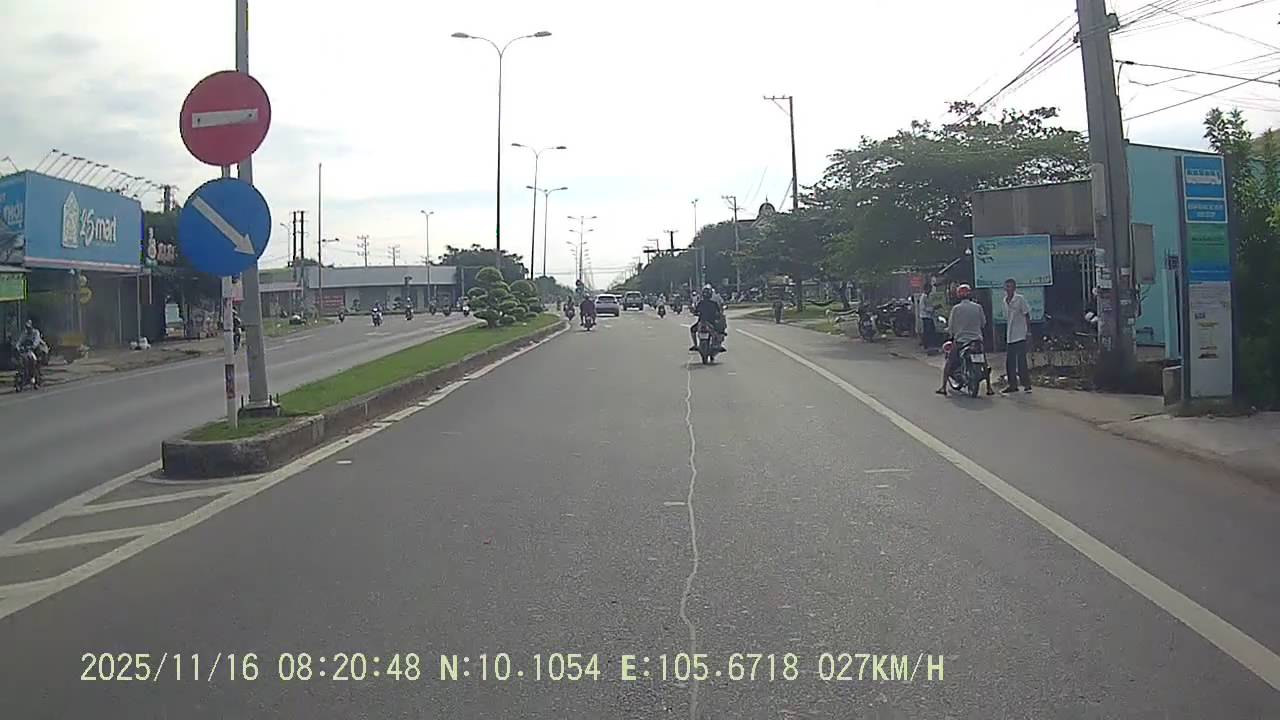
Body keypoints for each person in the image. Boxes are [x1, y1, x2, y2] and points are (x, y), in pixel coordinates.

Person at [937, 284, 985, 396]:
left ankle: (943, 387)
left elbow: (951, 327)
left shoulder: (956, 309)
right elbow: (983, 323)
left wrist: (949, 332)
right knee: (984, 361)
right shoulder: (978, 307)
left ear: (958, 295)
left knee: (949, 361)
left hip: (961, 341)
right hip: (977, 340)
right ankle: (989, 387)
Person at [1001, 278, 1032, 393]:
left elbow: (1027, 314)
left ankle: (1026, 384)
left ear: (1014, 288)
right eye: (1006, 286)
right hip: (1010, 335)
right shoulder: (1005, 300)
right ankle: (1012, 385)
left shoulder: (1020, 299)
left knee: (1021, 361)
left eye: (1010, 286)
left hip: (1020, 334)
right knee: (1010, 362)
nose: (1008, 289)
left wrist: (1028, 332)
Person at [689, 285, 726, 351]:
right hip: (709, 322)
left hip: (703, 322)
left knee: (693, 329)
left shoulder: (701, 303)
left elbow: (696, 311)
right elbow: (719, 313)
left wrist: (695, 312)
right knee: (719, 330)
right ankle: (717, 345)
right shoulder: (713, 303)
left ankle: (695, 345)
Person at [16, 320, 43, 386]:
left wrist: (32, 346)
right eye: (26, 327)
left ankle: (33, 376)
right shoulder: (24, 334)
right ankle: (23, 374)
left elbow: (36, 341)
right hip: (26, 351)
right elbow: (19, 341)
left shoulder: (36, 332)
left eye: (29, 327)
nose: (28, 329)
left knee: (32, 360)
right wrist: (18, 347)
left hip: (34, 351)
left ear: (31, 326)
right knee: (22, 360)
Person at [918, 282, 936, 348]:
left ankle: (928, 344)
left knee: (930, 330)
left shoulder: (928, 296)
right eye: (929, 289)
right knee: (927, 331)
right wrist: (932, 309)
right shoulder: (923, 297)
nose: (930, 290)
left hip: (929, 316)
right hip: (925, 316)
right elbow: (923, 307)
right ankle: (926, 344)